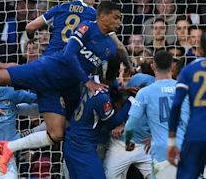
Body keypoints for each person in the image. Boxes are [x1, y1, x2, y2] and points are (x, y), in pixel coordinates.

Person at [0, 0, 121, 174]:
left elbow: (110, 67)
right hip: (47, 70)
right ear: (103, 16)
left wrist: (117, 83)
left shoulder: (109, 48)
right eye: (116, 18)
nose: (119, 23)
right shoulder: (87, 27)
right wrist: (87, 81)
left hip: (59, 87)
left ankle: (9, 147)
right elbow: (68, 55)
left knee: (57, 133)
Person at [64, 54, 133, 179]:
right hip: (83, 146)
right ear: (114, 74)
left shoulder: (92, 80)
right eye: (119, 73)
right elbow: (112, 122)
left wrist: (124, 90)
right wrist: (131, 102)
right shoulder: (102, 98)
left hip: (72, 139)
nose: (120, 78)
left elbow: (112, 85)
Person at [124, 50, 189, 178]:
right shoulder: (186, 90)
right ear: (172, 66)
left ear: (153, 66)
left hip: (163, 153)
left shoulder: (144, 93)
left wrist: (127, 142)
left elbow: (131, 125)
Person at [168, 29, 206, 178]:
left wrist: (172, 141)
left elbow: (176, 105)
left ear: (200, 48)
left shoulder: (188, 70)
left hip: (195, 133)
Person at [25, 0, 96, 56]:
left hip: (51, 57)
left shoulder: (60, 8)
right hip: (75, 60)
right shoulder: (94, 15)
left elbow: (30, 27)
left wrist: (31, 38)